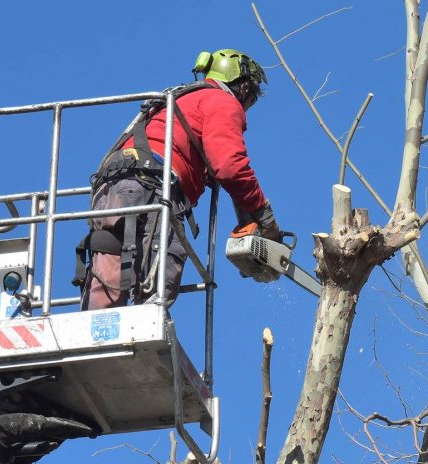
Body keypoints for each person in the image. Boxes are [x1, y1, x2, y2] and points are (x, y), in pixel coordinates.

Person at [77, 49, 285, 310]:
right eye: (250, 99)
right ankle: (147, 326)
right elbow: (231, 166)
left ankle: (99, 333)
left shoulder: (179, 100)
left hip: (112, 185)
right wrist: (261, 212)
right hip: (152, 185)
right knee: (157, 280)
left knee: (107, 265)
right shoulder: (221, 101)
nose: (246, 107)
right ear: (242, 87)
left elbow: (214, 166)